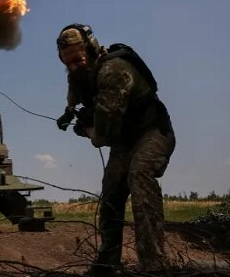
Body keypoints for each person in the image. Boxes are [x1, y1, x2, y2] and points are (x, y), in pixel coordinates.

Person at [56, 24, 176, 276]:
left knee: (139, 174)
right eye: (67, 63)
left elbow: (103, 137)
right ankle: (107, 263)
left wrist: (86, 129)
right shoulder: (80, 70)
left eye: (77, 60)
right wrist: (69, 111)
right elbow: (75, 87)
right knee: (111, 192)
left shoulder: (113, 71)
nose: (73, 66)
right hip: (125, 139)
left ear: (91, 49)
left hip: (152, 131)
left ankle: (154, 264)